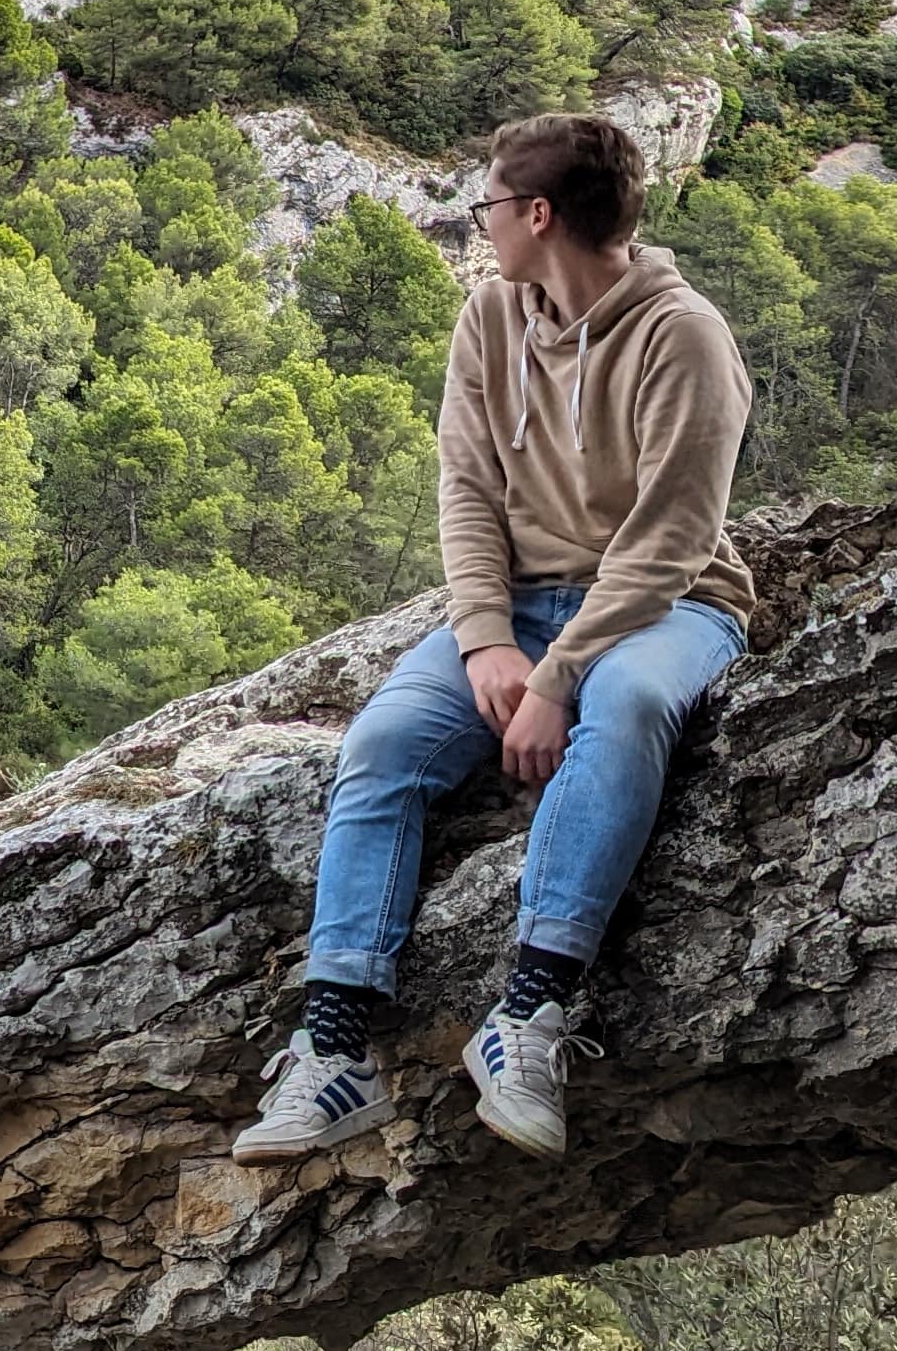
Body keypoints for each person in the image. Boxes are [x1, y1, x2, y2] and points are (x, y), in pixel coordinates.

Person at [235, 112, 758, 1163]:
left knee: (633, 705)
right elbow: (467, 489)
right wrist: (483, 639)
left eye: (485, 205)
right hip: (517, 605)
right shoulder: (490, 316)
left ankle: (532, 1016)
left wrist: (560, 679)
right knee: (383, 746)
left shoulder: (684, 337)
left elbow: (671, 542)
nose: (475, 224)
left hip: (667, 607)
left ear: (537, 214)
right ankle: (333, 1051)